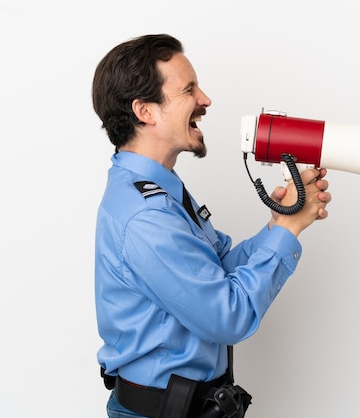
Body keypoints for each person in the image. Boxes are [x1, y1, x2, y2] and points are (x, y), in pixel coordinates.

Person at [92, 34, 331, 418]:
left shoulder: (161, 193)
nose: (205, 100)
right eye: (189, 90)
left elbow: (218, 267)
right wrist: (289, 231)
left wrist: (279, 222)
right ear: (145, 111)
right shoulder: (146, 217)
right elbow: (228, 316)